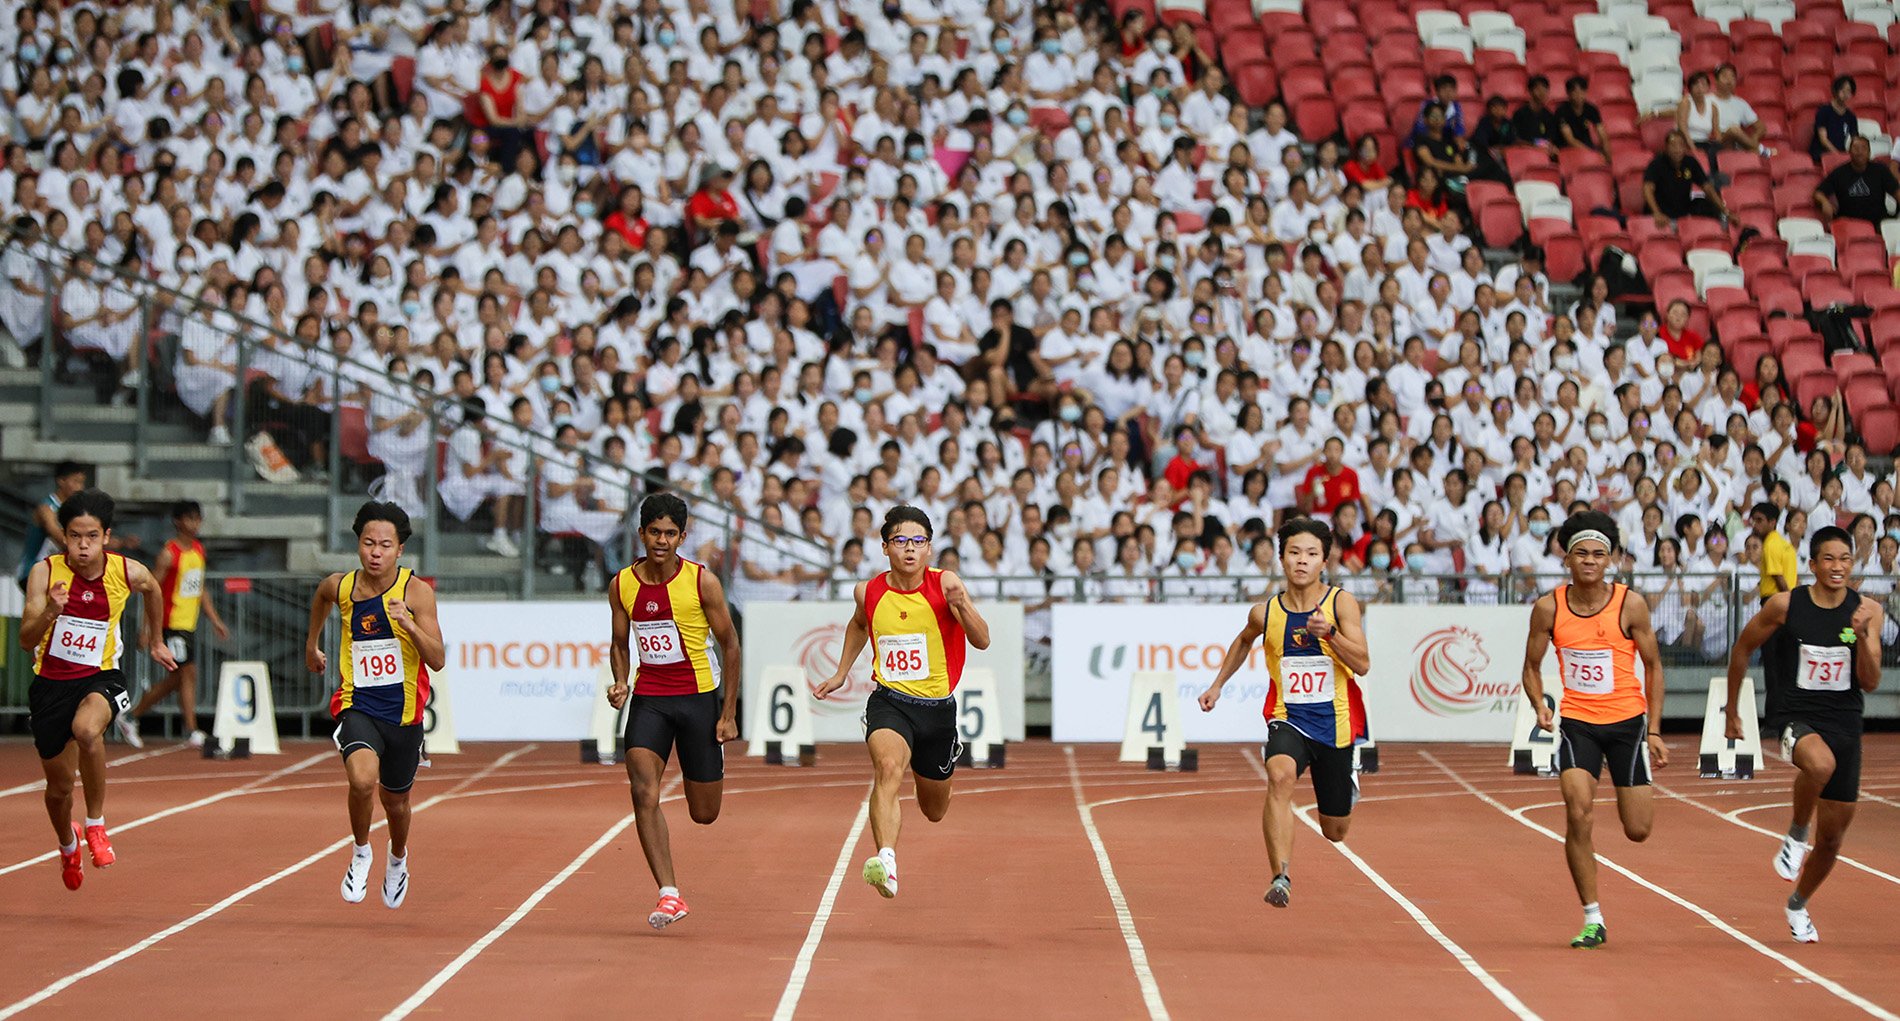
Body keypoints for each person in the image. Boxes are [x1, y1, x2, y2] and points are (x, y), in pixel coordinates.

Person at [814, 506, 992, 899]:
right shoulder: (869, 590)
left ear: (929, 548)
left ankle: (934, 769)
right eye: (900, 541)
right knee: (889, 767)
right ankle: (887, 861)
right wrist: (842, 672)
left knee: (934, 810)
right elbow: (859, 623)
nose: (909, 549)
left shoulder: (946, 585)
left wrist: (961, 606)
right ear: (885, 547)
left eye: (918, 541)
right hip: (890, 702)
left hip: (937, 711)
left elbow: (981, 640)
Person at [1197, 518, 1372, 909]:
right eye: (1294, 553)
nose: (1302, 561)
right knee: (1278, 775)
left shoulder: (1340, 604)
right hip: (1288, 717)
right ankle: (1281, 876)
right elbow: (1243, 642)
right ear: (1281, 559)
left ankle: (1348, 778)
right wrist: (1217, 685)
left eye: (1311, 554)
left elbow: (1362, 664)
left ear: (1324, 560)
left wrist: (1329, 635)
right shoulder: (1267, 613)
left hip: (1335, 725)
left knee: (1335, 831)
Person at [1725, 526, 1883, 943]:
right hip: (1797, 716)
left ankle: (1797, 904)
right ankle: (1796, 833)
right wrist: (1732, 709)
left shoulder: (1867, 610)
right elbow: (1741, 649)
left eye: (1844, 559)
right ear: (1811, 565)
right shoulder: (1786, 605)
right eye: (1828, 559)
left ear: (1852, 564)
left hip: (1846, 722)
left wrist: (1863, 636)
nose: (1837, 567)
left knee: (1831, 839)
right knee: (1819, 764)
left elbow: (1870, 682)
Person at [1520, 511, 1668, 948]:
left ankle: (1632, 780)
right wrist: (1539, 704)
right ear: (1567, 559)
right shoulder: (1549, 607)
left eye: (1598, 554)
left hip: (1627, 726)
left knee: (1638, 830)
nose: (1589, 561)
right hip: (1578, 725)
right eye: (1581, 553)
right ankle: (1592, 917)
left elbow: (1654, 666)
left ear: (1611, 560)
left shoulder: (1631, 605)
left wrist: (1654, 730)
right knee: (1577, 809)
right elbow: (1530, 667)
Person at [20, 488, 177, 890]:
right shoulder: (46, 573)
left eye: (91, 536)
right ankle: (67, 843)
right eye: (74, 536)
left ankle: (96, 824)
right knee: (57, 792)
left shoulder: (126, 572)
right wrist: (52, 611)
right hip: (51, 685)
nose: (83, 546)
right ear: (64, 537)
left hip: (100, 676)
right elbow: (25, 639)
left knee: (88, 730)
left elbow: (155, 589)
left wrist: (157, 639)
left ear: (106, 536)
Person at [604, 495, 742, 930]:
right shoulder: (622, 584)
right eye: (654, 532)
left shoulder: (703, 583)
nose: (661, 541)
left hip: (699, 698)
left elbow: (731, 646)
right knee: (643, 791)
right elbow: (619, 642)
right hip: (651, 699)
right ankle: (669, 893)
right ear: (641, 533)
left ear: (683, 536)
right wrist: (622, 680)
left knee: (704, 813)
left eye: (670, 534)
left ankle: (710, 759)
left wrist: (729, 713)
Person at [304, 501, 445, 910]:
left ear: (400, 550)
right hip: (358, 703)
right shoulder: (342, 586)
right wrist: (312, 644)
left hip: (403, 715)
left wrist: (409, 624)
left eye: (385, 544)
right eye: (368, 543)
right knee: (362, 781)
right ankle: (361, 851)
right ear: (359, 545)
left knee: (396, 802)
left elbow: (437, 659)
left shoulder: (416, 592)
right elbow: (321, 596)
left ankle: (397, 858)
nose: (375, 552)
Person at [117, 501, 230, 749]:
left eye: (198, 519)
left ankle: (132, 716)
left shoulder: (198, 550)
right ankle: (188, 729)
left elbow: (199, 588)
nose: (195, 524)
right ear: (178, 521)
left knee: (181, 677)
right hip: (171, 623)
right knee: (186, 673)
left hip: (189, 624)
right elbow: (151, 590)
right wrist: (147, 628)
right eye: (189, 519)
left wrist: (215, 620)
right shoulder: (169, 553)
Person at [15, 461, 87, 585]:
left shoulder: (74, 512)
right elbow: (57, 536)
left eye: (81, 483)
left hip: (55, 573)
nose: (79, 487)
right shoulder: (46, 508)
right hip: (34, 571)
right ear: (61, 481)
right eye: (75, 481)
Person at [1643, 130, 1727, 227]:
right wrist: (1656, 213)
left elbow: (1707, 187)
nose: (1677, 149)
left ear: (1685, 148)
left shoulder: (1690, 162)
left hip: (1682, 210)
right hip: (1662, 211)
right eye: (1673, 145)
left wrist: (1725, 211)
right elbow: (1648, 189)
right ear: (1666, 148)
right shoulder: (1656, 164)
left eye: (1681, 145)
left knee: (1707, 204)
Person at [1812, 136, 1900, 226]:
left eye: (1864, 148)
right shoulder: (1839, 173)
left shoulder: (1881, 170)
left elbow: (1896, 192)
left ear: (1869, 152)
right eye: (1856, 148)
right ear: (1849, 152)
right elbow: (1818, 193)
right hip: (1849, 224)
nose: (1860, 152)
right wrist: (1825, 202)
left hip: (1879, 223)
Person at [1750, 502, 1798, 603]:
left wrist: (1790, 604)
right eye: (1753, 520)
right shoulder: (1784, 544)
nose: (1754, 525)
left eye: (1759, 520)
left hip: (1775, 599)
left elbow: (1778, 578)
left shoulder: (1770, 545)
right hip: (1785, 597)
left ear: (1772, 522)